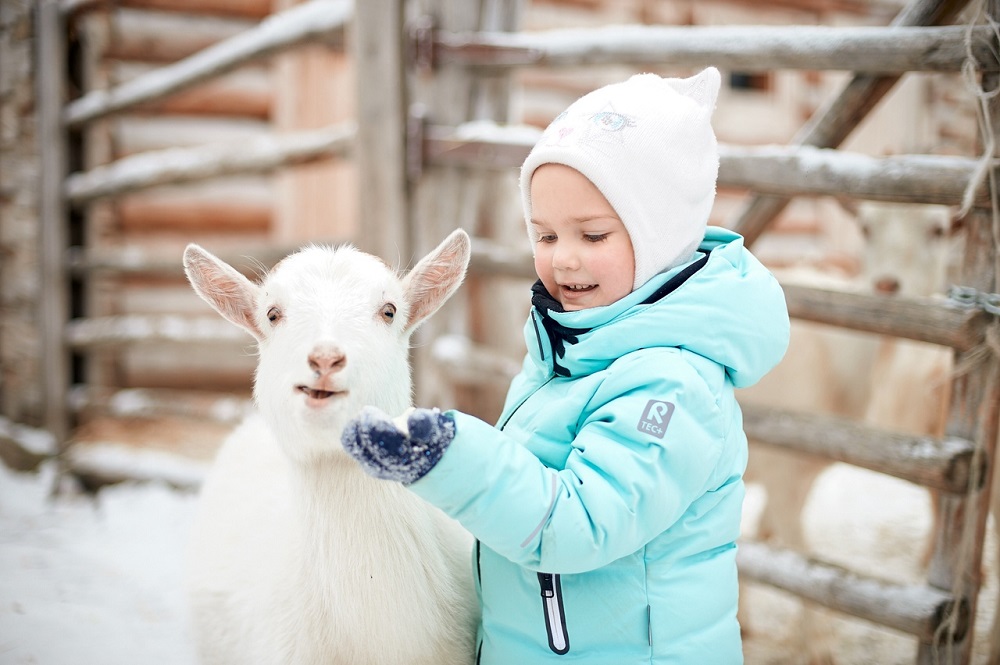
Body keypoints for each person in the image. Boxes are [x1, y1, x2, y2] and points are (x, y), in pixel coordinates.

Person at [342, 67, 790, 664]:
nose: (564, 259)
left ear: (659, 235)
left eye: (593, 234)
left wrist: (452, 456)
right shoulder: (573, 350)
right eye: (546, 235)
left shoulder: (673, 387)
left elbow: (579, 523)